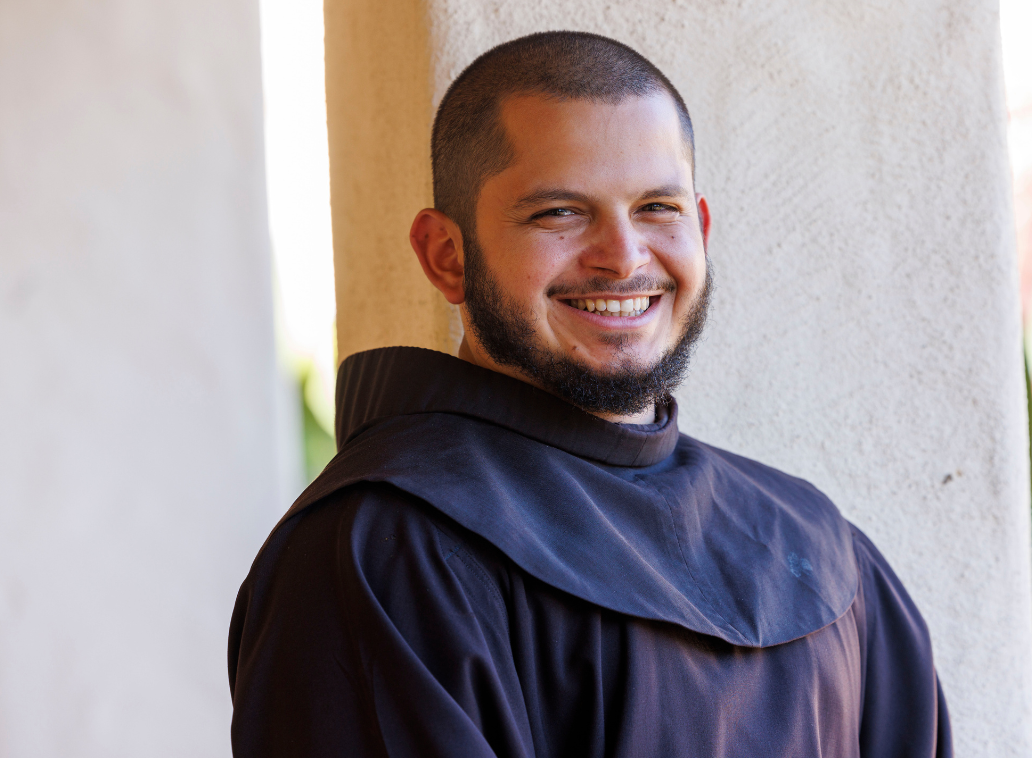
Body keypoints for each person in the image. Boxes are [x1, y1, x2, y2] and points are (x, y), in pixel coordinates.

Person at [228, 31, 952, 757]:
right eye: (559, 214)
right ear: (447, 257)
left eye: (656, 208)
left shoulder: (817, 545)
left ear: (700, 227)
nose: (624, 256)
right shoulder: (386, 550)